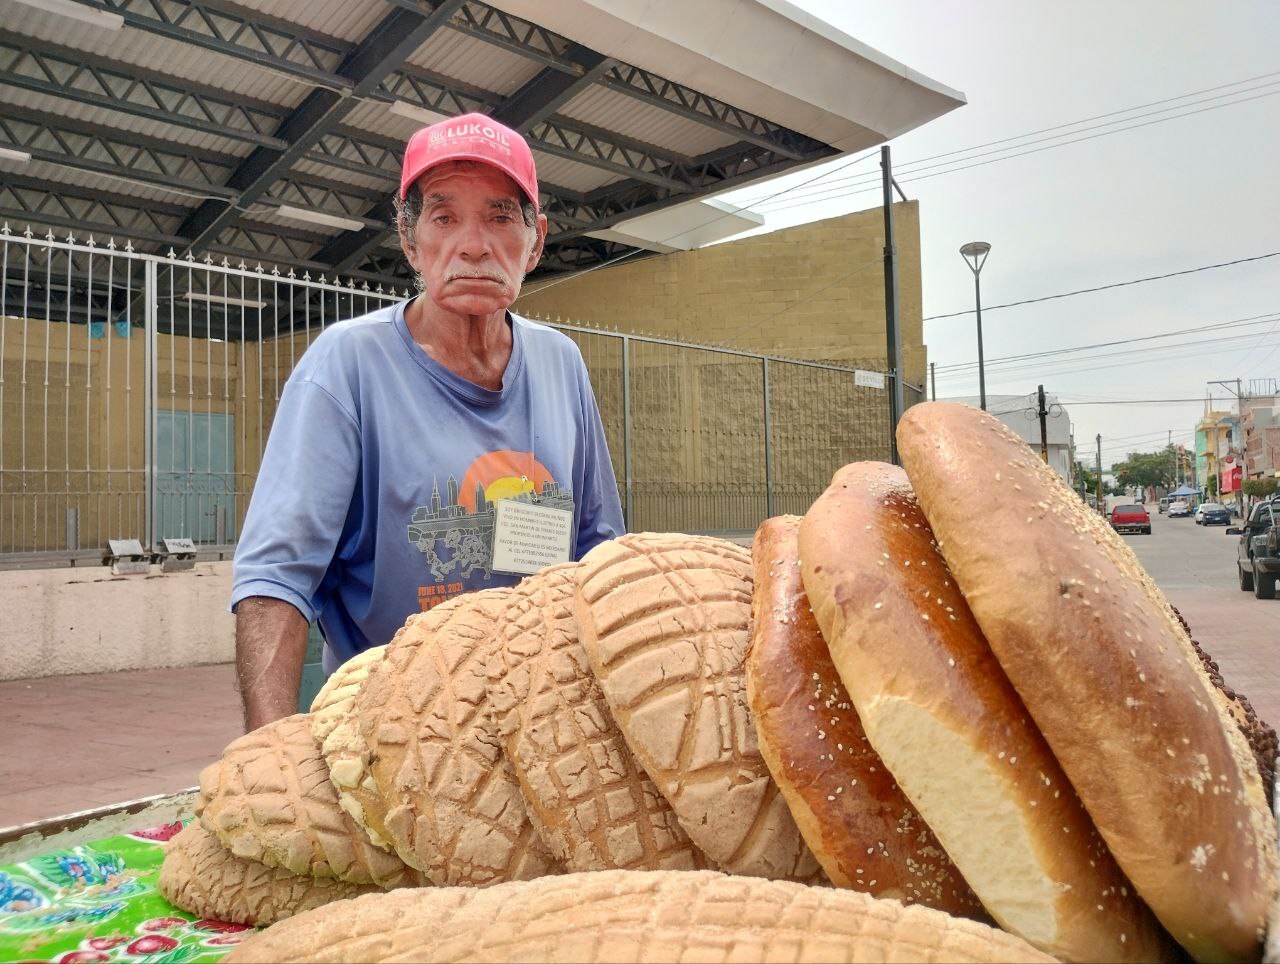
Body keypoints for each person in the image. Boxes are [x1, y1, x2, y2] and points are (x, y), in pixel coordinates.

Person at [231, 113, 625, 731]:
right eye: (445, 218)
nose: (474, 244)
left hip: (542, 714)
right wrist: (268, 750)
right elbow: (277, 575)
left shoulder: (560, 362)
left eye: (500, 217)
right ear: (411, 242)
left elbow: (598, 547)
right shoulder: (348, 364)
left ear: (536, 240)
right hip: (390, 725)